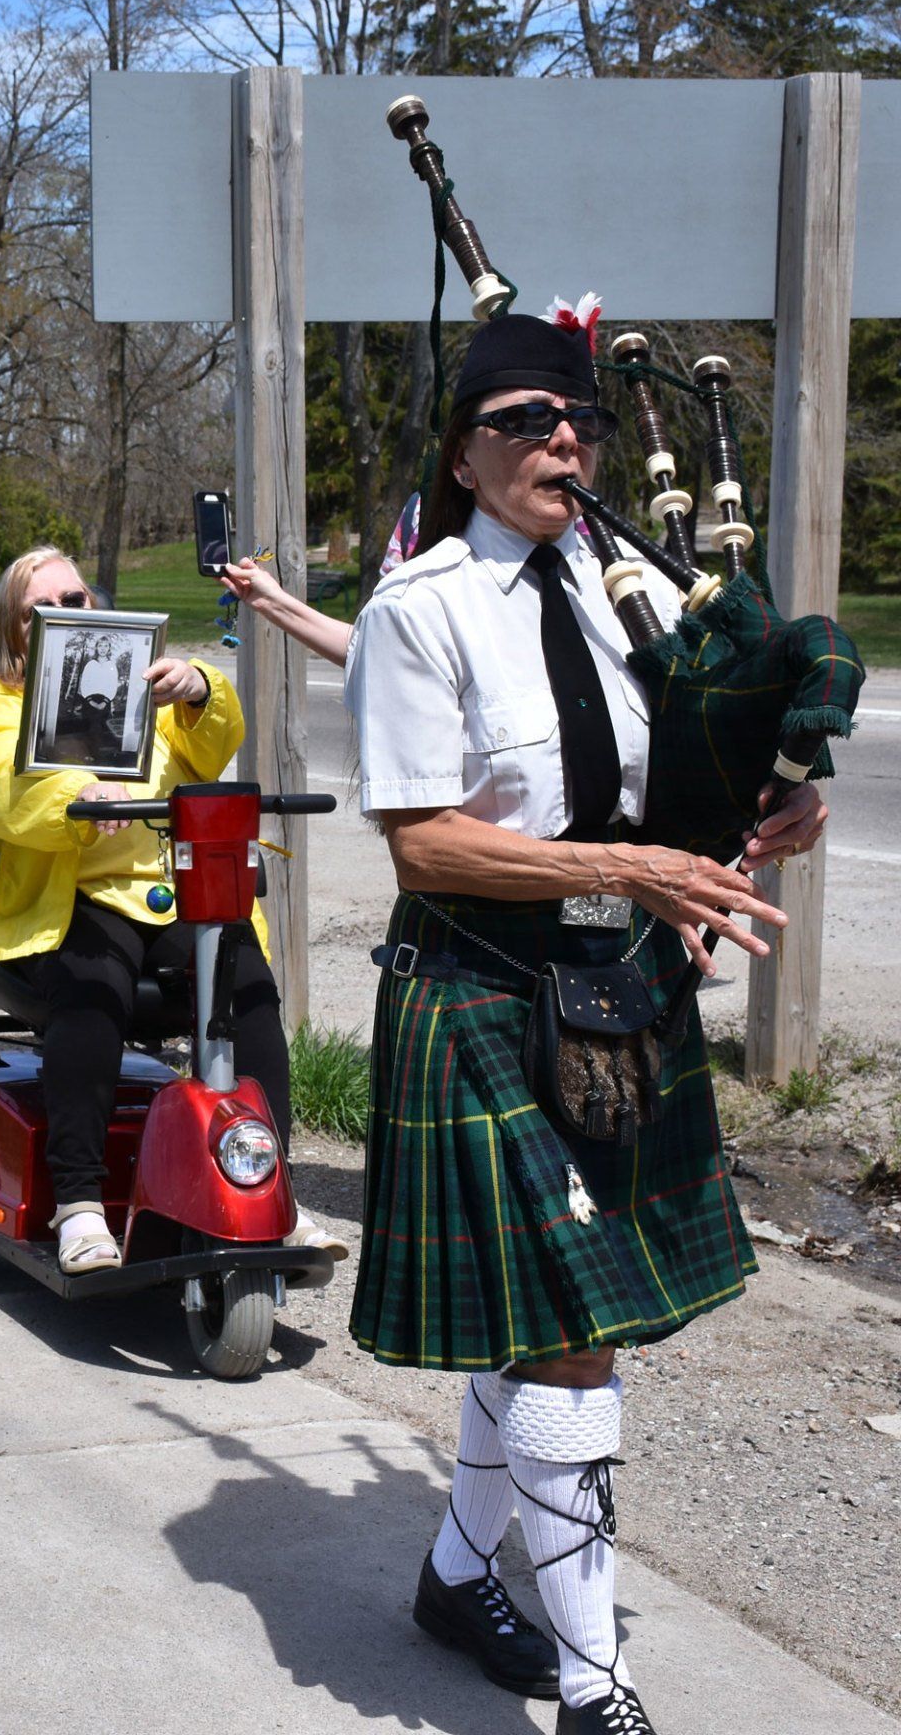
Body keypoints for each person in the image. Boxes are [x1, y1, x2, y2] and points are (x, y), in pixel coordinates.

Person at [343, 313, 828, 1734]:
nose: (566, 443)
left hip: (619, 991)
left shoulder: (643, 596)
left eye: (581, 423)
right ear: (465, 454)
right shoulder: (418, 610)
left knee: (552, 1325)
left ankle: (455, 1579)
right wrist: (630, 867)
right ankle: (595, 1682)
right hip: (482, 991)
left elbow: (683, 778)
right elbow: (423, 844)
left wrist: (774, 804)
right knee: (575, 1339)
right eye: (527, 423)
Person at [0, 544, 344, 1276]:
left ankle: (272, 1183)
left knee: (247, 990)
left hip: (169, 890)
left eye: (78, 599)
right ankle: (78, 1205)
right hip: (73, 895)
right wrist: (77, 795)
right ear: (16, 632)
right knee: (92, 988)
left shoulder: (139, 690)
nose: (70, 613)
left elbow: (212, 747)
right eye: (46, 608)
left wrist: (199, 691)